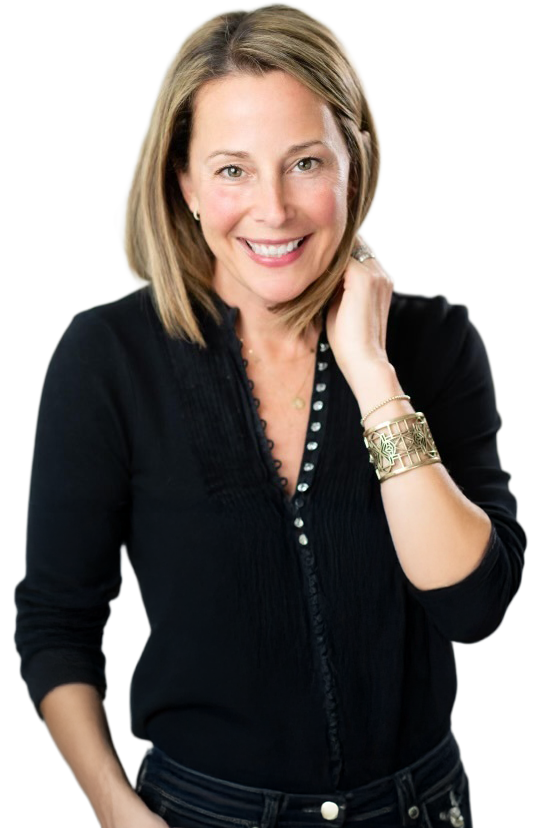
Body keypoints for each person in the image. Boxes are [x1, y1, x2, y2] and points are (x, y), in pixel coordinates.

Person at [13, 4, 528, 828]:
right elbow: (55, 623)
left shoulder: (435, 342)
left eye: (305, 163)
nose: (274, 209)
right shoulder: (108, 358)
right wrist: (115, 809)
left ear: (354, 164)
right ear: (184, 183)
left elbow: (473, 606)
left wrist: (373, 373)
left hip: (417, 810)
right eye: (233, 170)